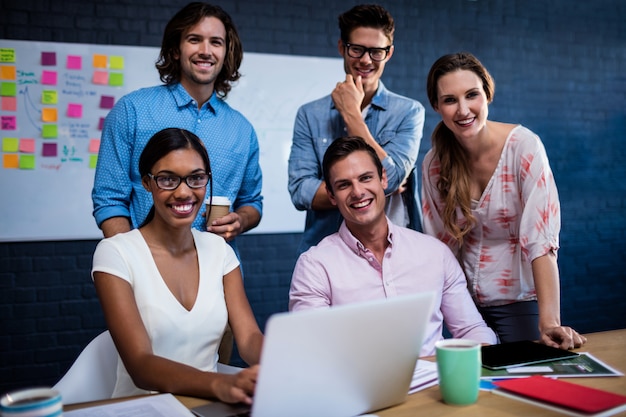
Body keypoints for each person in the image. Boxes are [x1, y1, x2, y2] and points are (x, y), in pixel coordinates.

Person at [421, 52, 586, 350]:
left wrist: (549, 322)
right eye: (449, 100)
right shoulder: (434, 164)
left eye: (472, 95)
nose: (463, 110)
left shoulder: (524, 147)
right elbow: (441, 248)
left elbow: (541, 241)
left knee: (526, 384)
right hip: (464, 306)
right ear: (436, 106)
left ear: (488, 94)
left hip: (519, 300)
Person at [92, 128, 263, 403]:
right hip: (143, 409)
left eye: (196, 178)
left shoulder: (220, 250)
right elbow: (141, 365)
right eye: (168, 179)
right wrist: (219, 383)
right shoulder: (116, 253)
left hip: (210, 409)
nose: (184, 192)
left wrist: (282, 362)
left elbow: (249, 338)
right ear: (147, 183)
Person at [289, 136, 497, 357]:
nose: (358, 192)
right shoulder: (314, 266)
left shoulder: (435, 254)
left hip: (434, 386)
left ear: (383, 179)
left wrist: (480, 363)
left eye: (365, 178)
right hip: (363, 389)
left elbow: (471, 329)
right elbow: (312, 349)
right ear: (331, 196)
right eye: (344, 185)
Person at [92, 2, 262, 246]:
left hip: (218, 274)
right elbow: (109, 199)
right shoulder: (132, 111)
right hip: (147, 270)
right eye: (194, 40)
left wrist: (241, 220)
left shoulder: (242, 130)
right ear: (175, 50)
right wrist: (135, 262)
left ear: (226, 53)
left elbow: (252, 202)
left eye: (216, 42)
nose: (206, 51)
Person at [288, 4, 425, 255]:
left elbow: (391, 179)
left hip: (397, 253)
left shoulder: (409, 111)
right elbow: (300, 191)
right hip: (328, 252)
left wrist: (352, 114)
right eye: (357, 49)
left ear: (389, 53)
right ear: (342, 47)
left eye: (376, 52)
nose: (365, 60)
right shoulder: (310, 114)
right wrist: (377, 184)